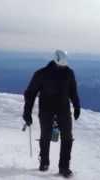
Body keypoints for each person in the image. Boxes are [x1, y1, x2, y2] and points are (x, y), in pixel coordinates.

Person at [23, 50, 80, 178]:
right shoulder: (41, 74)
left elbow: (73, 91)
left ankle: (64, 167)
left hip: (63, 110)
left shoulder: (69, 73)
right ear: (55, 61)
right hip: (46, 110)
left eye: (64, 65)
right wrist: (27, 112)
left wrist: (77, 106)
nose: (62, 67)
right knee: (45, 136)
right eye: (61, 65)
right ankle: (44, 162)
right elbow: (30, 93)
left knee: (67, 138)